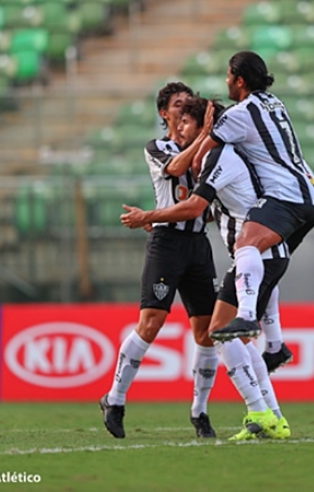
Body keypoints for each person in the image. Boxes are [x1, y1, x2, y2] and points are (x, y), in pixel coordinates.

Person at [122, 96, 291, 440]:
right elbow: (213, 208)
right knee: (235, 336)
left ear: (205, 127)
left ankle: (261, 410)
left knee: (221, 331)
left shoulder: (216, 156)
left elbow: (194, 207)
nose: (179, 128)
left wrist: (149, 216)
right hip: (258, 254)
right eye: (177, 120)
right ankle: (274, 414)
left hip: (255, 254)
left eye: (186, 122)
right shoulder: (212, 157)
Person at [99, 82, 219, 440]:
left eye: (189, 104)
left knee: (207, 332)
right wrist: (206, 136)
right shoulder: (159, 147)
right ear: (164, 114)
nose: (185, 110)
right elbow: (175, 168)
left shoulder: (207, 147)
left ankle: (200, 413)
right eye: (178, 105)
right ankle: (115, 399)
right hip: (167, 244)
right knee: (151, 323)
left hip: (198, 244)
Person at [191, 51, 314, 364]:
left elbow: (200, 158)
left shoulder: (238, 113)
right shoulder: (275, 102)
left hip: (286, 195)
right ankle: (275, 345)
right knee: (263, 258)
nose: (226, 82)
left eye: (228, 75)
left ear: (239, 79)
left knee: (246, 243)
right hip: (312, 195)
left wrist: (201, 177)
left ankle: (248, 316)